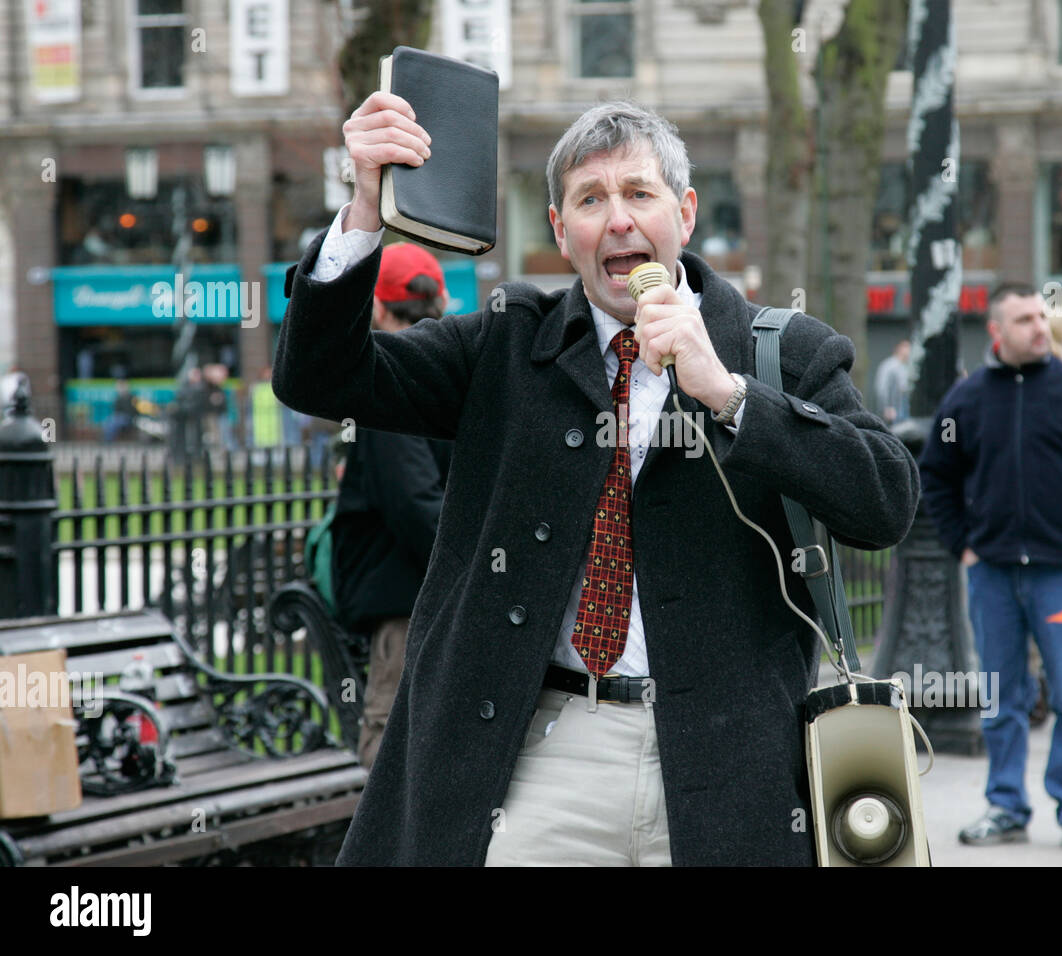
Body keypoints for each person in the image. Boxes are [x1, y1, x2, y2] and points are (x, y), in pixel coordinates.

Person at [272, 95, 920, 866]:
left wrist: (730, 395)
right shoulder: (508, 344)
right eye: (590, 199)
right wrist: (365, 210)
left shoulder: (781, 350)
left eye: (639, 194)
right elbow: (322, 377)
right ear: (559, 230)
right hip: (548, 753)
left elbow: (886, 502)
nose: (618, 221)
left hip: (730, 767)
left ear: (682, 212)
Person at [918, 282, 1062, 852]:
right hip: (991, 572)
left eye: (1041, 317)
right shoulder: (967, 398)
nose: (1039, 328)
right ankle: (1005, 806)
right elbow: (935, 475)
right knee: (1002, 698)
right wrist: (961, 544)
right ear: (996, 330)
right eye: (1023, 319)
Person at [331, 241, 454, 770]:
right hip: (439, 599)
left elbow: (415, 504)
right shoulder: (451, 369)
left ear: (378, 308)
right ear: (441, 301)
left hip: (408, 608)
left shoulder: (388, 377)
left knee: (390, 755)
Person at [874, 338, 911, 424]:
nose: (909, 350)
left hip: (903, 406)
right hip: (894, 408)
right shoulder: (889, 366)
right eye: (906, 347)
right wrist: (886, 407)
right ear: (899, 349)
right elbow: (881, 388)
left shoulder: (904, 366)